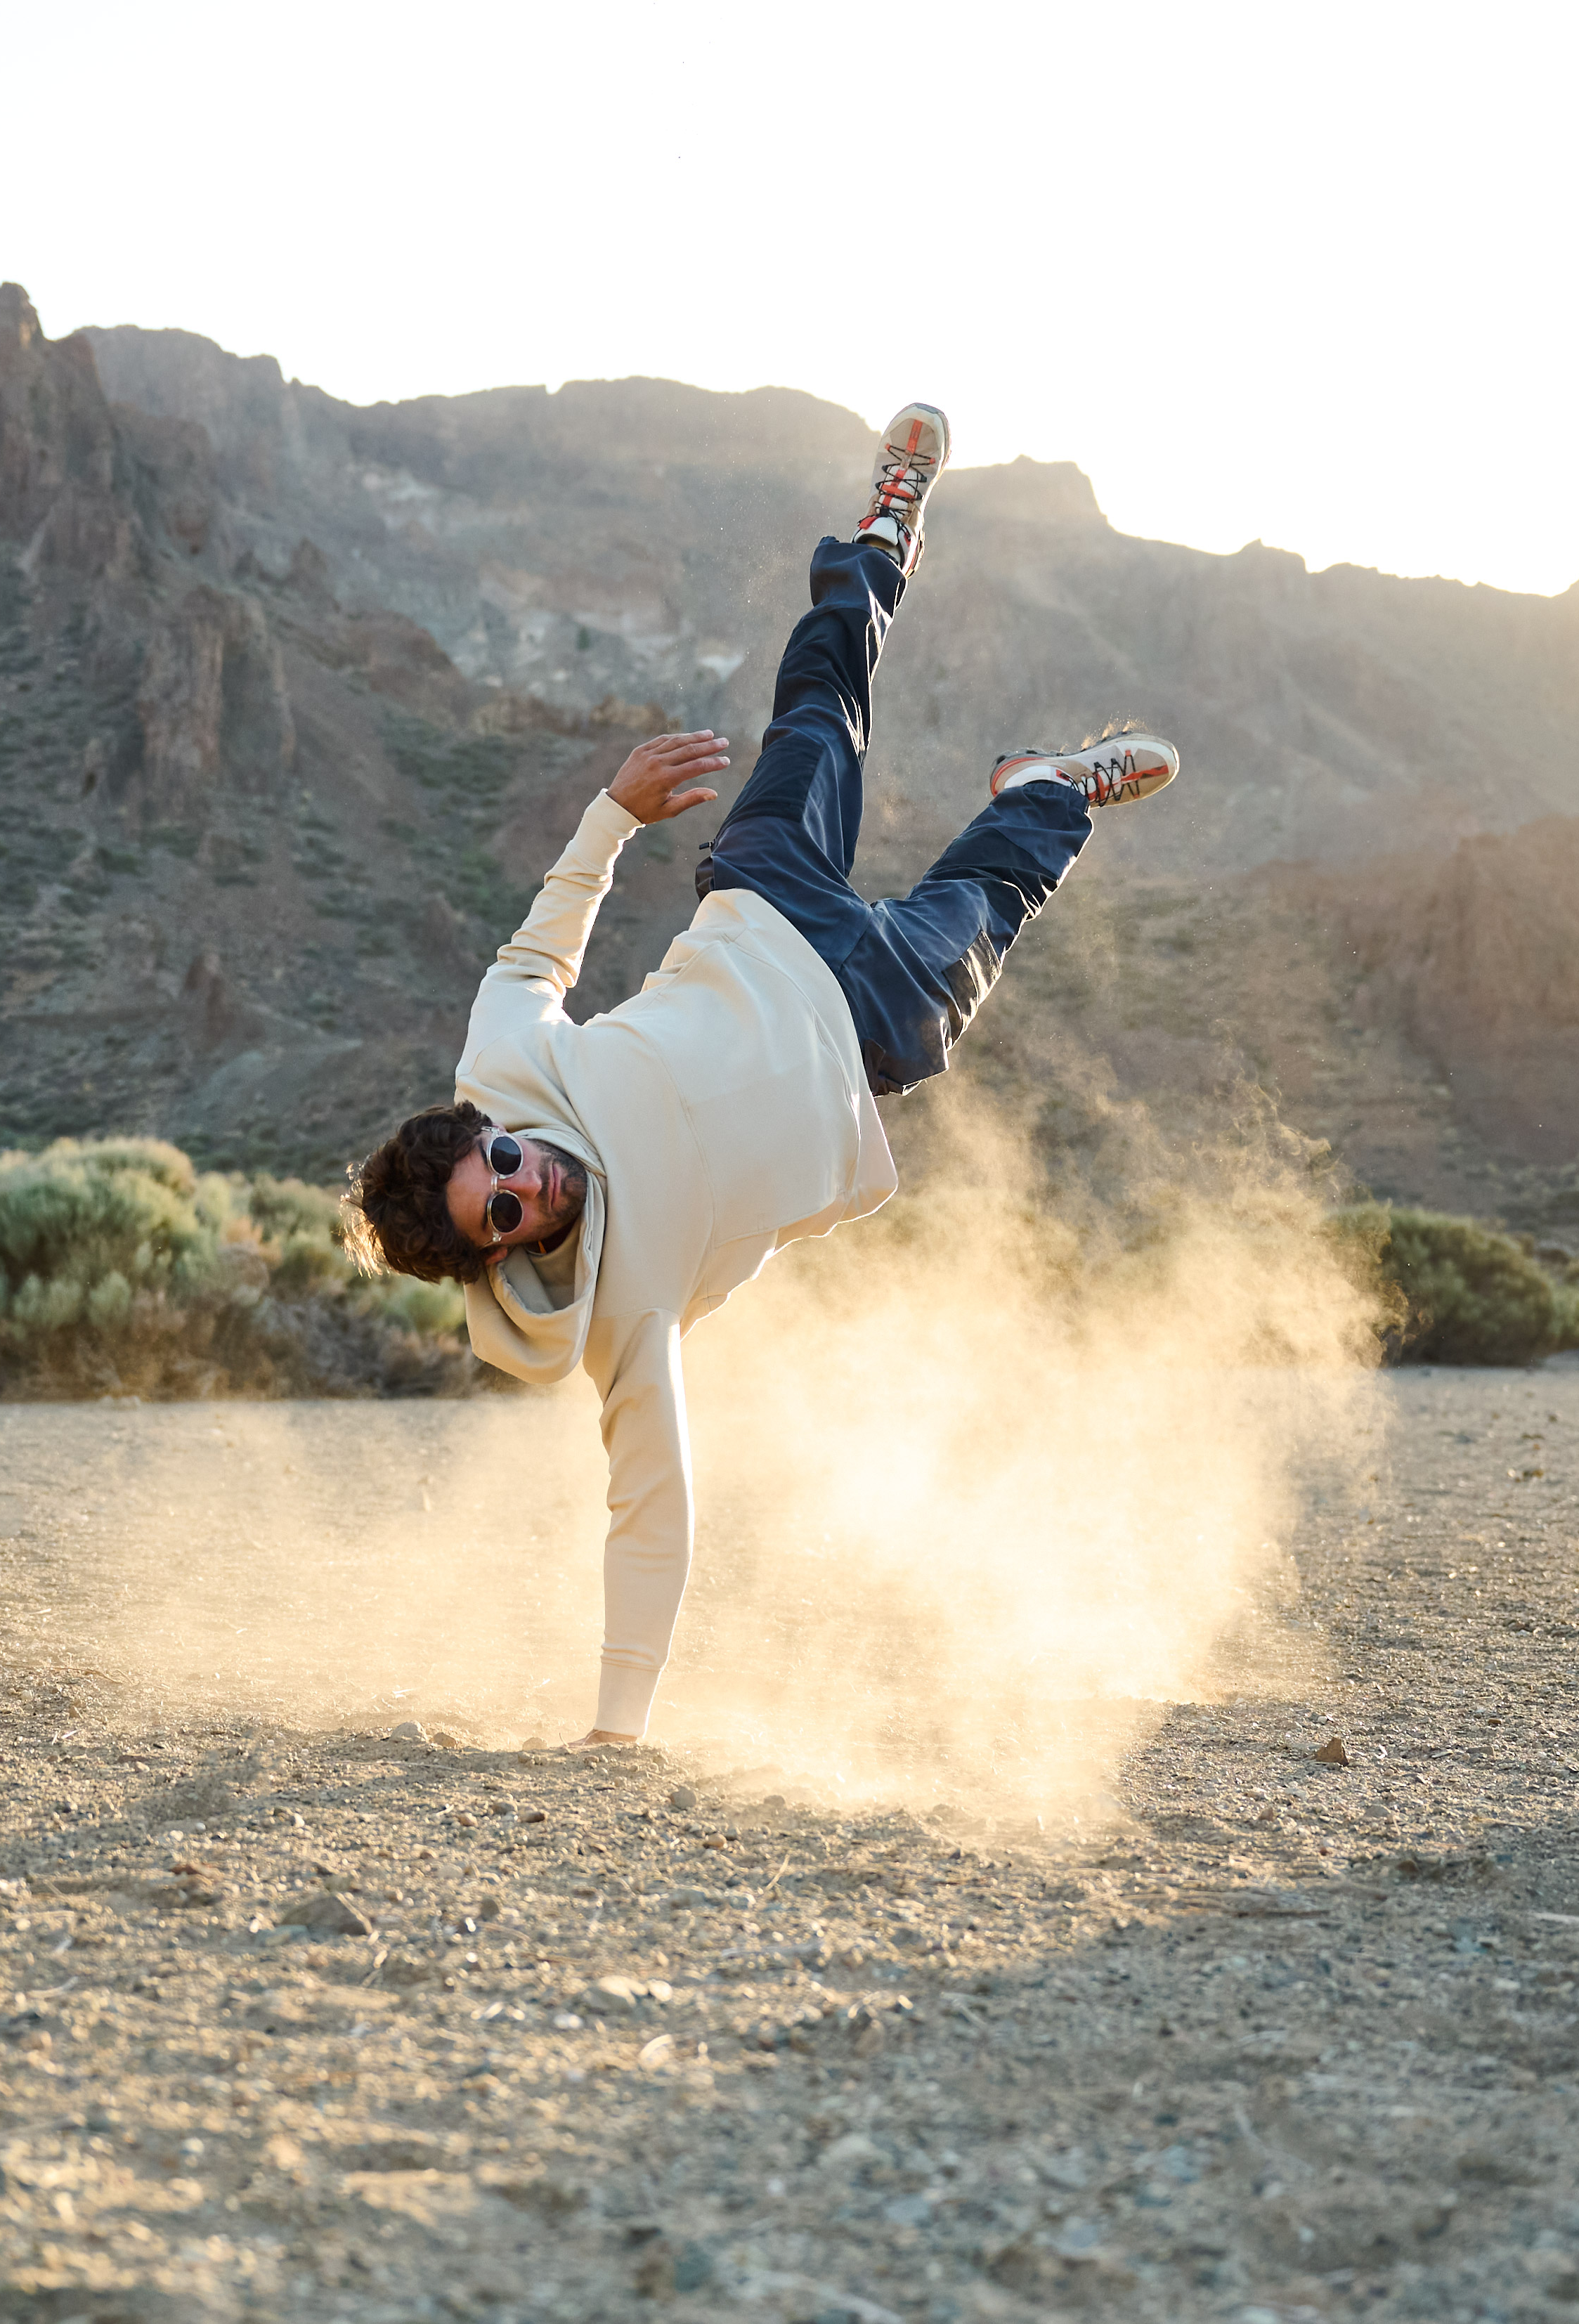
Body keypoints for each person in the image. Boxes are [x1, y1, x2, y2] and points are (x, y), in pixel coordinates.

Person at [342, 405, 1178, 1746]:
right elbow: (650, 1517)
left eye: (495, 1162)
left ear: (483, 1131)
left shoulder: (507, 1067)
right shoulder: (617, 1318)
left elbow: (539, 939)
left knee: (820, 700)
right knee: (993, 900)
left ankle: (883, 530)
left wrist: (613, 809)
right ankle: (1046, 789)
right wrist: (618, 1729)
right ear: (497, 1258)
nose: (520, 1183)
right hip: (866, 1040)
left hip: (763, 907)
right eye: (499, 1214)